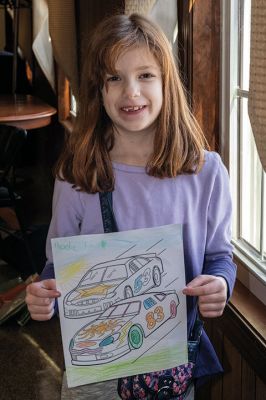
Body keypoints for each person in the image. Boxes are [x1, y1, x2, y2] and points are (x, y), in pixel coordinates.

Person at [25, 13, 236, 399]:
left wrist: (220, 284)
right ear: (97, 90)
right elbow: (58, 268)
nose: (131, 92)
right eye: (114, 78)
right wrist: (43, 294)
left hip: (170, 370)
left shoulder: (206, 173)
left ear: (166, 82)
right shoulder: (77, 177)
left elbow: (220, 257)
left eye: (145, 75)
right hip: (94, 379)